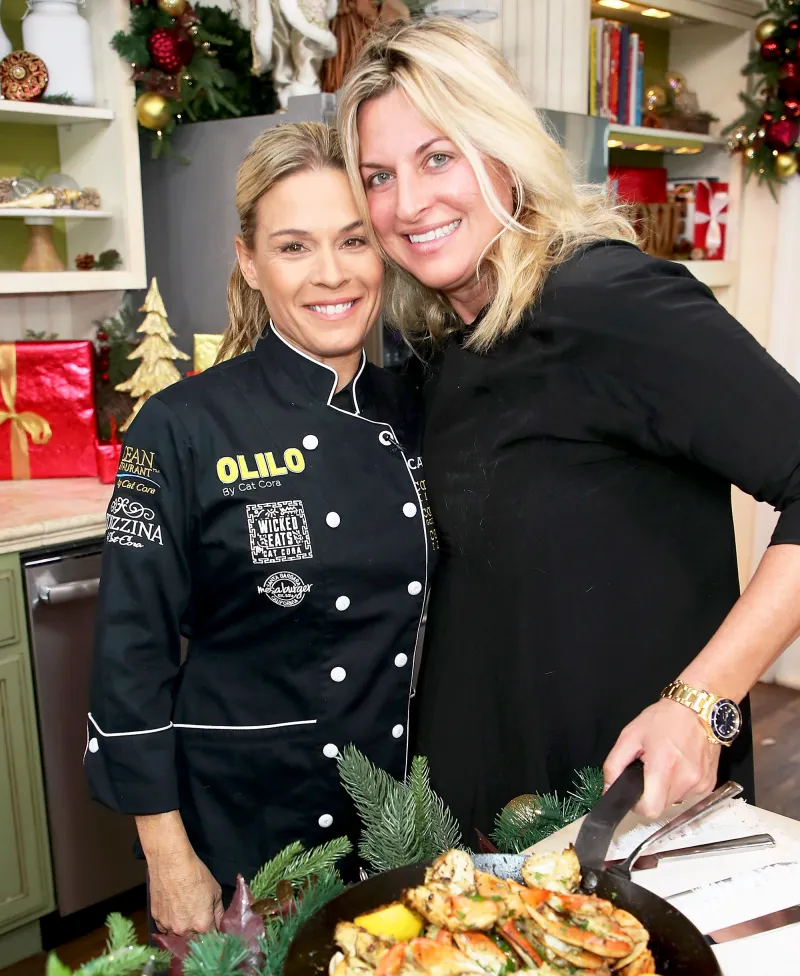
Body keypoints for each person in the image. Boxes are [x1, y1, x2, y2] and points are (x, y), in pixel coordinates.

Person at [336, 18, 800, 844]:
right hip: (488, 827)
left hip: (634, 807)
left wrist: (703, 703)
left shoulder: (607, 299)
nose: (407, 203)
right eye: (377, 175)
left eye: (438, 156)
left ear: (503, 151)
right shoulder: (440, 340)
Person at [85, 123, 433, 937]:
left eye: (353, 240)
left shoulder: (417, 406)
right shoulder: (178, 427)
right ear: (249, 260)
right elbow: (128, 658)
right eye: (293, 247)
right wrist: (168, 857)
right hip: (243, 824)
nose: (331, 274)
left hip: (401, 815)